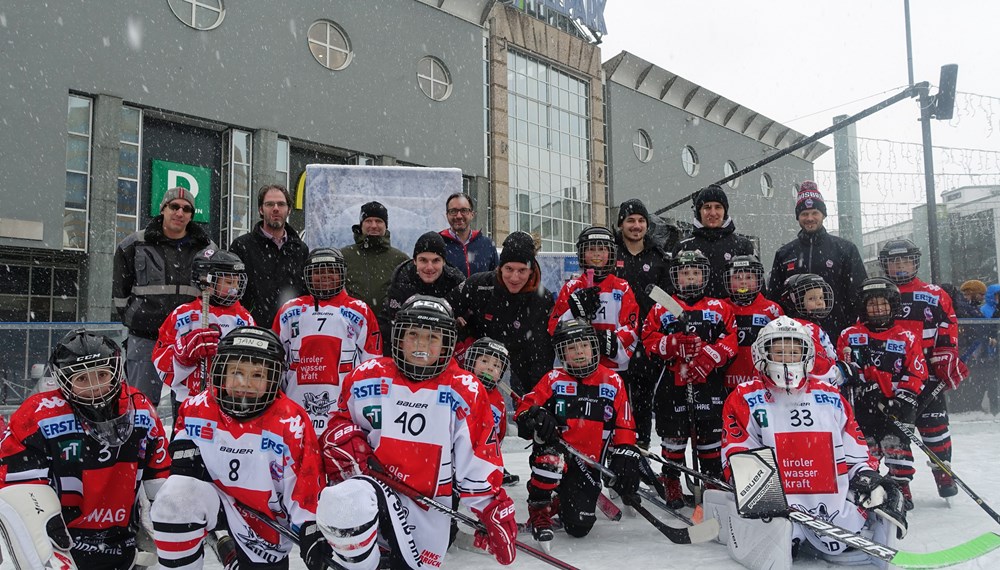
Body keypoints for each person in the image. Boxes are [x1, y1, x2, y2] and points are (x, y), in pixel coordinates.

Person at [316, 295, 516, 569]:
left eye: (433, 337)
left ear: (447, 343)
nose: (422, 344)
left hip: (428, 506)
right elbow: (338, 422)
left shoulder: (464, 390)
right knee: (347, 509)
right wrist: (341, 439)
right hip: (371, 492)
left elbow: (479, 457)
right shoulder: (367, 376)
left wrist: (491, 509)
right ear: (399, 338)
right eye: (413, 335)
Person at [716, 317, 906, 569]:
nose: (786, 359)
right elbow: (737, 450)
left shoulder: (829, 395)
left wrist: (868, 477)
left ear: (806, 355)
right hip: (777, 501)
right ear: (762, 353)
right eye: (779, 351)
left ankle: (830, 532)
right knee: (777, 534)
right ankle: (789, 533)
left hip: (830, 503)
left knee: (863, 507)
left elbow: (854, 448)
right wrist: (761, 496)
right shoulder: (744, 396)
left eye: (794, 352)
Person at [151, 326, 327, 570]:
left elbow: (306, 485)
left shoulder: (290, 421)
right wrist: (185, 457)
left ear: (273, 378)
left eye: (257, 375)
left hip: (263, 520)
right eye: (237, 372)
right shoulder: (198, 407)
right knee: (176, 497)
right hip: (219, 501)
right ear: (221, 373)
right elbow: (184, 437)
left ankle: (234, 552)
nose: (245, 383)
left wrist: (310, 525)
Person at [0, 330, 170, 569]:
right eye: (82, 379)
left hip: (124, 542)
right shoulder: (38, 415)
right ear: (63, 381)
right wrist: (44, 531)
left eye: (102, 374)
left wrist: (164, 515)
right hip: (61, 545)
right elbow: (16, 487)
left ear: (115, 371)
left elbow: (161, 475)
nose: (94, 387)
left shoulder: (140, 409)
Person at [515, 318, 640, 546]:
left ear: (594, 347)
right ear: (562, 353)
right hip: (558, 455)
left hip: (588, 464)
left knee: (579, 527)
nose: (579, 352)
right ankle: (539, 509)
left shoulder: (612, 380)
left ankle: (561, 501)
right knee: (549, 460)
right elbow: (525, 408)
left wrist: (625, 453)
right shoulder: (553, 378)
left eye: (584, 345)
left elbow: (625, 424)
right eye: (571, 348)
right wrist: (535, 416)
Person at [642, 249, 737, 507]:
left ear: (705, 276)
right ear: (676, 276)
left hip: (708, 381)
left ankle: (710, 478)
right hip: (673, 381)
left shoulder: (719, 307)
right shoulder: (663, 308)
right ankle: (671, 479)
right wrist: (671, 344)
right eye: (685, 273)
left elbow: (731, 338)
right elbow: (648, 338)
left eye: (696, 273)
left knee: (709, 434)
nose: (691, 278)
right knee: (674, 435)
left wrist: (711, 356)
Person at [878, 238, 968, 498]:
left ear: (915, 261)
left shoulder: (934, 294)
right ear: (885, 265)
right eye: (894, 261)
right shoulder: (878, 295)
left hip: (927, 376)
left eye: (905, 259)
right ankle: (900, 484)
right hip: (893, 380)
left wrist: (947, 356)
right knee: (896, 433)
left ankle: (943, 473)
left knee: (935, 428)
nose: (900, 266)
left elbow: (948, 326)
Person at [113, 187, 215, 406]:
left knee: (189, 404)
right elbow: (120, 292)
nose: (180, 213)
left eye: (186, 209)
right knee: (140, 405)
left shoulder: (206, 249)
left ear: (191, 215)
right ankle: (142, 440)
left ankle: (183, 442)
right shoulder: (134, 244)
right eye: (174, 206)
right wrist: (135, 317)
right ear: (163, 209)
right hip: (145, 338)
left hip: (188, 341)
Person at [837, 277, 927, 510]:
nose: (878, 309)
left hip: (897, 407)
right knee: (868, 450)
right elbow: (842, 369)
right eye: (872, 304)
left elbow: (917, 374)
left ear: (893, 305)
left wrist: (900, 400)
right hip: (863, 406)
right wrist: (863, 387)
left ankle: (900, 489)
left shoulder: (906, 337)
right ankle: (871, 489)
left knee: (897, 447)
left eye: (883, 304)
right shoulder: (849, 335)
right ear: (863, 307)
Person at [272, 247, 382, 436]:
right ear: (307, 275)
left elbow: (372, 366)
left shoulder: (360, 311)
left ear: (342, 274)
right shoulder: (289, 311)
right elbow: (274, 362)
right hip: (295, 407)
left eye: (331, 271)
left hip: (343, 410)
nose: (325, 276)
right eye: (318, 271)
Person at [153, 248, 254, 419]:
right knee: (186, 443)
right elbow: (160, 359)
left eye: (237, 282)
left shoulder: (244, 319)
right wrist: (184, 354)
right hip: (189, 398)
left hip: (230, 400)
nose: (235, 289)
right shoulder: (183, 315)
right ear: (207, 281)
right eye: (229, 282)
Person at [451, 231, 555, 394]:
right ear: (500, 267)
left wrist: (536, 398)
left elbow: (541, 356)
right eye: (509, 269)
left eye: (522, 270)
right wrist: (458, 325)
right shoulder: (479, 284)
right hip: (479, 361)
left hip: (520, 365)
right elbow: (446, 307)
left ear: (531, 270)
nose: (514, 277)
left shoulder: (543, 299)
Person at [767, 181, 867, 341]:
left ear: (823, 215)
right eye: (804, 214)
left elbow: (859, 294)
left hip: (836, 332)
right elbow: (774, 298)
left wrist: (849, 327)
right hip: (795, 336)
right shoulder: (784, 253)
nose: (810, 218)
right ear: (798, 217)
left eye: (815, 213)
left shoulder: (845, 249)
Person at [614, 198, 671, 448]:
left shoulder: (658, 257)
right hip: (616, 338)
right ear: (621, 224)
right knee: (617, 396)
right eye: (630, 221)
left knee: (643, 398)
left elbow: (667, 299)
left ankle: (642, 447)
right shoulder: (611, 252)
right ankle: (618, 448)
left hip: (648, 338)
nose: (636, 226)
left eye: (640, 221)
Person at [549, 226, 640, 374]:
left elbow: (632, 327)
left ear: (611, 253)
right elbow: (554, 327)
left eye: (602, 249)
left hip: (612, 369)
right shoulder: (571, 287)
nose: (597, 253)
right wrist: (574, 312)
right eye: (591, 249)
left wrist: (607, 341)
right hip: (577, 366)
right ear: (582, 253)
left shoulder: (622, 287)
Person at [229, 184, 310, 328]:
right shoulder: (242, 246)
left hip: (292, 330)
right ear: (261, 209)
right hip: (253, 329)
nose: (276, 208)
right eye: (269, 204)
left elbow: (306, 293)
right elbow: (231, 290)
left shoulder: (300, 249)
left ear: (289, 210)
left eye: (281, 204)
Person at [673, 184, 754, 299]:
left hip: (733, 313)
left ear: (725, 211)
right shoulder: (684, 245)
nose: (713, 213)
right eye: (707, 207)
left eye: (718, 207)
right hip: (695, 313)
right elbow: (673, 288)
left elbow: (756, 287)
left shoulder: (742, 245)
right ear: (699, 211)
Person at [460, 337, 519, 486]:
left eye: (496, 365)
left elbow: (498, 434)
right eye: (484, 361)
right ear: (472, 361)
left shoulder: (498, 401)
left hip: (481, 459)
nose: (490, 368)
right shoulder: (458, 386)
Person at [384, 231, 465, 340]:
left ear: (444, 262)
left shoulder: (456, 282)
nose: (429, 267)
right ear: (415, 261)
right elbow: (389, 325)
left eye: (436, 261)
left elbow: (468, 324)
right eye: (423, 260)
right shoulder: (401, 281)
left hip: (444, 347)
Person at [721, 255, 784, 390]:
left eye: (749, 277)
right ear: (728, 280)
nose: (743, 282)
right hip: (726, 381)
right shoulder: (721, 307)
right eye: (737, 278)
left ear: (758, 280)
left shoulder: (772, 309)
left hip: (761, 382)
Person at [341, 201, 410, 320]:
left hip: (388, 326)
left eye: (378, 221)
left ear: (385, 225)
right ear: (361, 225)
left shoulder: (400, 259)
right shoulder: (344, 256)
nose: (373, 225)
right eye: (368, 221)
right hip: (350, 324)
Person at [778, 273, 841, 385]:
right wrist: (839, 369)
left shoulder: (812, 325)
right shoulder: (804, 328)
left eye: (821, 297)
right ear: (794, 301)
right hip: (816, 385)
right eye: (812, 298)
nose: (819, 302)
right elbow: (820, 363)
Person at [440, 192, 499, 278]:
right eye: (453, 211)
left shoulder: (487, 245)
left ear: (472, 214)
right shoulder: (438, 243)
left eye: (464, 210)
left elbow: (496, 280)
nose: (459, 216)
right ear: (447, 215)